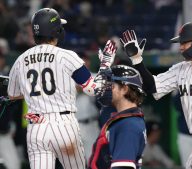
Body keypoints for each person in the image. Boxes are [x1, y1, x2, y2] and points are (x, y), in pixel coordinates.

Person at [119, 8, 192, 168]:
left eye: (185, 42)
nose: (181, 47)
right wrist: (137, 60)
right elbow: (153, 87)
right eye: (180, 43)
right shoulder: (181, 69)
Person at [6, 8, 117, 169]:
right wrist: (105, 66)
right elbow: (92, 89)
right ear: (56, 31)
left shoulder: (20, 60)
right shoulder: (67, 56)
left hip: (37, 128)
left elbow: (13, 94)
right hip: (64, 126)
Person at [88, 65, 147, 169]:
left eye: (110, 86)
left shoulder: (129, 125)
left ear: (124, 89)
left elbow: (123, 166)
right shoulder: (125, 120)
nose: (104, 89)